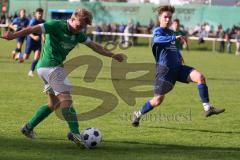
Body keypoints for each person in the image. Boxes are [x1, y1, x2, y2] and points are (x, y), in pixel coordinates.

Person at [2, 8, 124, 148]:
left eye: (83, 26)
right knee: (66, 99)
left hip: (46, 69)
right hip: (51, 67)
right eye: (79, 25)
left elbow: (96, 46)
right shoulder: (56, 25)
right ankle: (76, 134)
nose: (80, 28)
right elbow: (32, 29)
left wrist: (113, 55)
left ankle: (28, 127)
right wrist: (13, 35)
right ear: (73, 18)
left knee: (53, 104)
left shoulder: (78, 34)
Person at [131, 6, 225, 127]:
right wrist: (175, 37)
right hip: (165, 72)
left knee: (200, 77)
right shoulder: (157, 31)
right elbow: (159, 40)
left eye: (170, 17)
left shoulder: (171, 32)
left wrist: (179, 56)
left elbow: (172, 48)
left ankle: (207, 107)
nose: (168, 19)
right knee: (157, 100)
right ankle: (137, 114)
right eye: (165, 17)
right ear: (159, 18)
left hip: (178, 68)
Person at [23, 8, 45, 77]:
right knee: (26, 57)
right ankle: (18, 55)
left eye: (41, 13)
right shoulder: (33, 21)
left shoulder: (43, 22)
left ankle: (31, 71)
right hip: (30, 41)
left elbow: (43, 31)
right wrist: (34, 37)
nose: (40, 15)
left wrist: (43, 38)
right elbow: (27, 31)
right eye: (39, 13)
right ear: (36, 14)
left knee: (37, 56)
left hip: (38, 42)